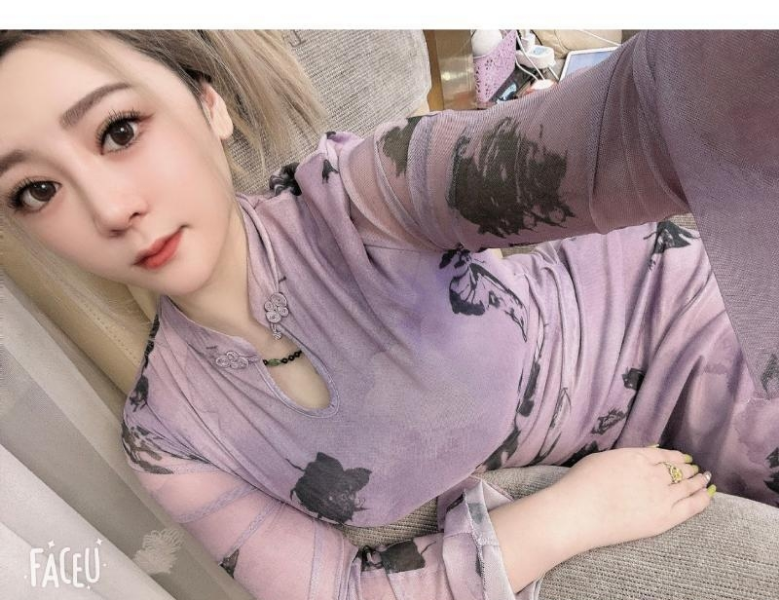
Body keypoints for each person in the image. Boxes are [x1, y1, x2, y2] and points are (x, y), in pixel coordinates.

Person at [1, 29, 776, 600]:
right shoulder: (168, 439)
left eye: (119, 131)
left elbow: (632, 127)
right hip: (594, 462)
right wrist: (563, 519)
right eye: (36, 190)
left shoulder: (368, 192)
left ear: (211, 106)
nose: (110, 209)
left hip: (683, 329)